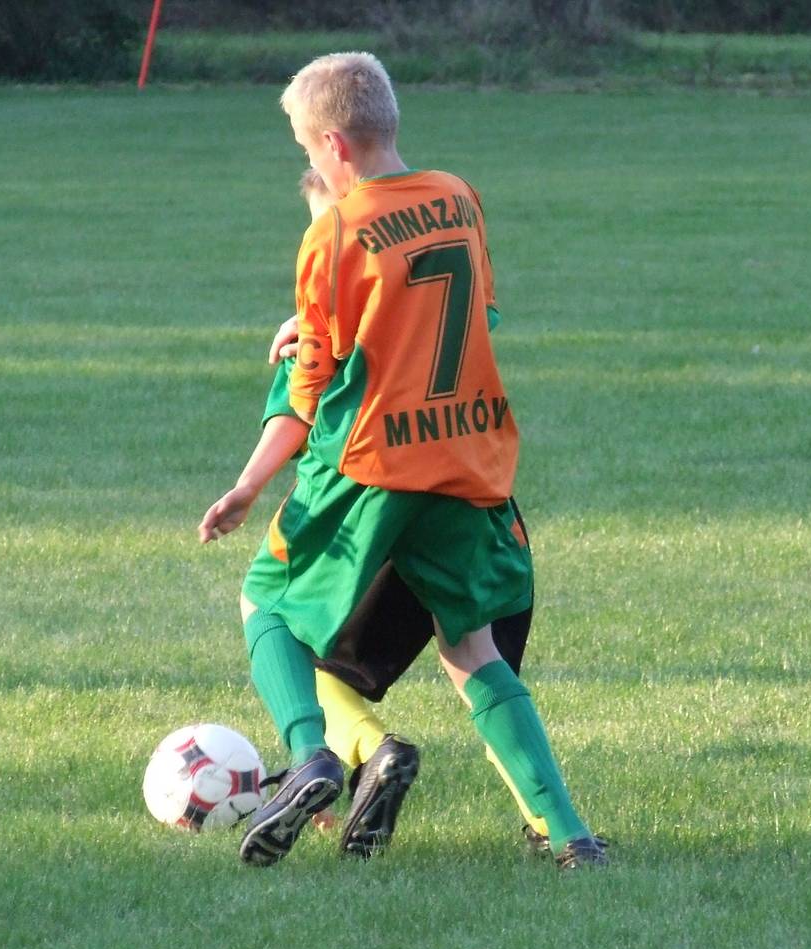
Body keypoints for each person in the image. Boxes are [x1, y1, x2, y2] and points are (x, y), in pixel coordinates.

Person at [200, 52, 604, 871]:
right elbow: (461, 312)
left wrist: (247, 485)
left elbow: (308, 389)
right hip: (464, 455)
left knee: (265, 603)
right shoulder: (457, 197)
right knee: (471, 648)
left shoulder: (333, 231)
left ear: (334, 145)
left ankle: (310, 758)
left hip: (371, 465)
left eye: (306, 147)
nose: (310, 163)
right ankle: (571, 838)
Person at [261, 168, 555, 859]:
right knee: (484, 673)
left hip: (385, 525)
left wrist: (246, 487)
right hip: (484, 515)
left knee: (310, 663)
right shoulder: (446, 254)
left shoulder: (324, 345)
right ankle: (555, 831)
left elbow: (299, 416)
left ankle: (369, 754)